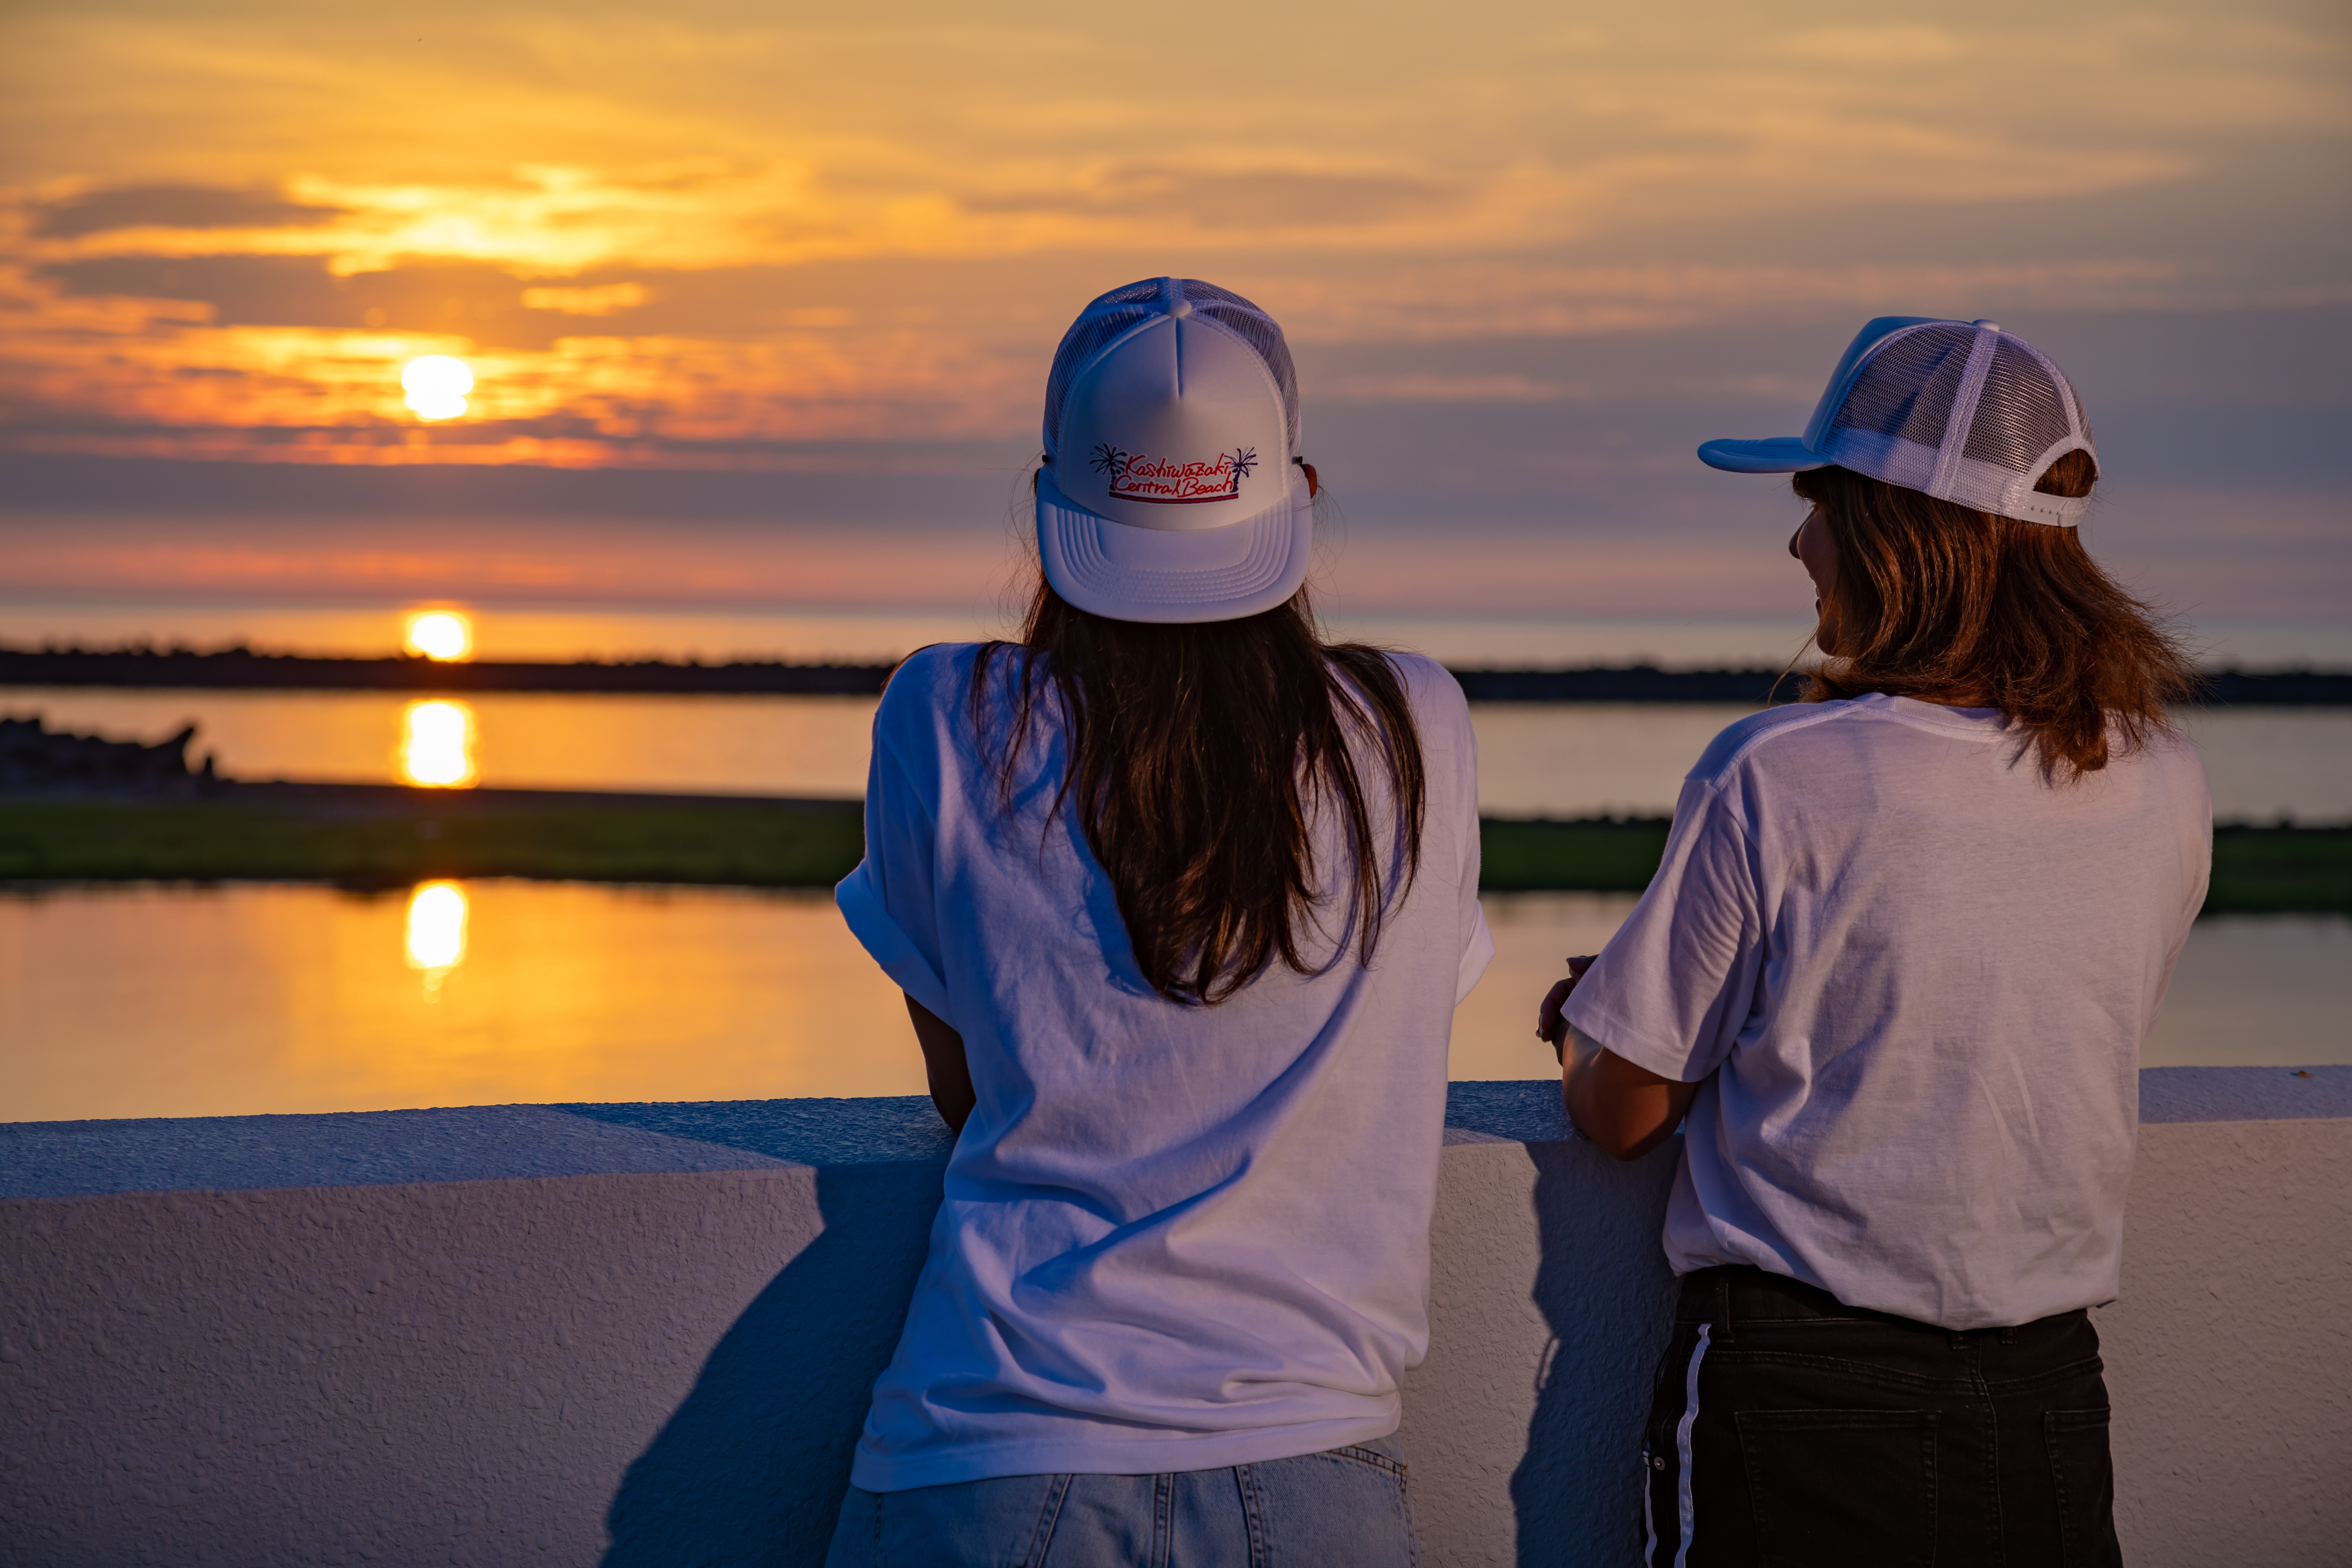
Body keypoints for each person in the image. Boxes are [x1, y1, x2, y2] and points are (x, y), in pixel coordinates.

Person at [825, 277, 1491, 1565]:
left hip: (997, 1447)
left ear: (1050, 500)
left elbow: (970, 1087)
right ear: (1296, 494)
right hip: (1315, 1462)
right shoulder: (1415, 726)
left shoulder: (946, 713)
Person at [1538, 317, 2210, 1567]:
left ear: (1894, 532)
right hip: (2051, 1398)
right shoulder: (2160, 773)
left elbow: (1621, 1112)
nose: (1798, 543)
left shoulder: (1777, 770)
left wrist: (1597, 1023)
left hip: (1800, 1397)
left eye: (1817, 504)